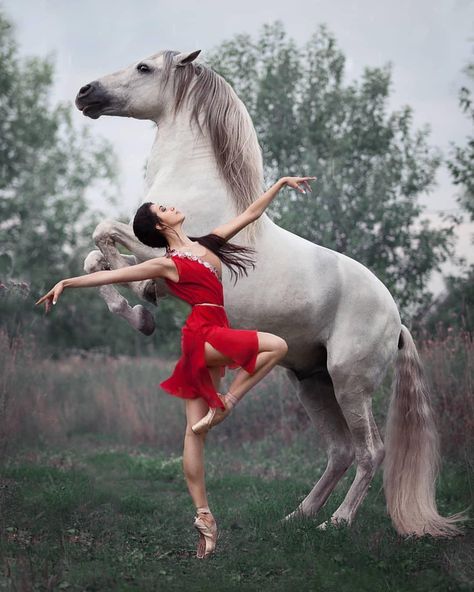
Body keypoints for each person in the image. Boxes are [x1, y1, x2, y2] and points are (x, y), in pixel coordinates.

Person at [35, 174, 317, 559]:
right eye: (163, 209)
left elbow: (250, 213)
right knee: (278, 345)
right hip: (203, 335)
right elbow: (114, 274)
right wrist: (67, 282)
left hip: (213, 332)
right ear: (159, 226)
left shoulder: (207, 244)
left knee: (193, 434)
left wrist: (281, 183)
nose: (171, 207)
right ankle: (228, 406)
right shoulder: (166, 265)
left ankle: (205, 521)